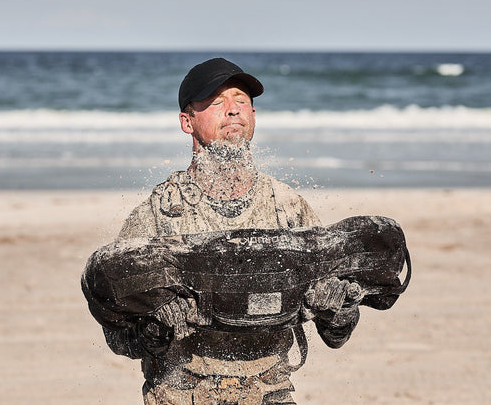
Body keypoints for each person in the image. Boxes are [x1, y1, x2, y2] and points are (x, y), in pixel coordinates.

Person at [83, 58, 364, 404]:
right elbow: (116, 336)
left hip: (270, 391)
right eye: (216, 102)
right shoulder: (158, 217)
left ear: (254, 116)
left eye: (241, 100)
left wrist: (338, 310)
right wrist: (154, 332)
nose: (233, 111)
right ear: (187, 122)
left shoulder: (287, 209)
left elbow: (336, 336)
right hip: (180, 393)